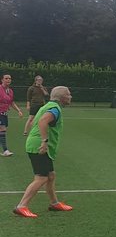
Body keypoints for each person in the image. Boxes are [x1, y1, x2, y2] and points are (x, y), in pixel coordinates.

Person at [13, 86, 72, 217]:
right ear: (62, 97)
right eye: (68, 94)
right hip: (38, 146)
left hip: (35, 144)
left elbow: (36, 121)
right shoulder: (54, 109)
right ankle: (21, 206)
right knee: (42, 177)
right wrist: (44, 141)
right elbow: (43, 121)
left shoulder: (49, 105)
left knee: (51, 175)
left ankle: (54, 203)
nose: (70, 96)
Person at [0, 73, 24, 156]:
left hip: (4, 113)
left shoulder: (10, 91)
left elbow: (11, 102)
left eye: (9, 78)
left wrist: (19, 110)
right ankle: (5, 151)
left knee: (2, 130)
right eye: (6, 78)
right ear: (2, 80)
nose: (8, 80)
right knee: (2, 129)